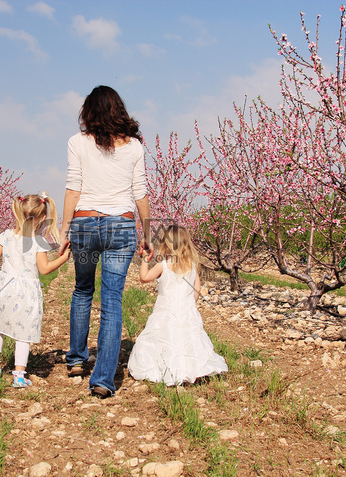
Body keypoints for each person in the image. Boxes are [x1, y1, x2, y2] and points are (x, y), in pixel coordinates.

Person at [59, 85, 153, 398]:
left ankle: (75, 359)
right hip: (122, 227)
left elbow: (73, 188)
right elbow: (140, 192)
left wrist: (64, 231)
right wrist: (148, 233)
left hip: (85, 225)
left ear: (89, 111)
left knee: (83, 288)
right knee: (112, 300)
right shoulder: (135, 147)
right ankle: (102, 381)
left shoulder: (77, 142)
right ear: (119, 110)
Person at [0, 193, 71, 388]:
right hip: (27, 293)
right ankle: (19, 375)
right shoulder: (39, 242)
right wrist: (64, 259)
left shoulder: (6, 236)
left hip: (4, 289)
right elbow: (44, 269)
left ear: (17, 212)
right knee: (24, 333)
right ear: (42, 218)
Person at [128, 224, 228, 386]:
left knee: (163, 339)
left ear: (166, 245)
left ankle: (166, 368)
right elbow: (196, 290)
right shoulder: (192, 267)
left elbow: (144, 277)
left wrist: (145, 259)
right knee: (189, 341)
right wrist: (188, 305)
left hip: (165, 312)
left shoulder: (164, 265)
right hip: (187, 311)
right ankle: (192, 369)